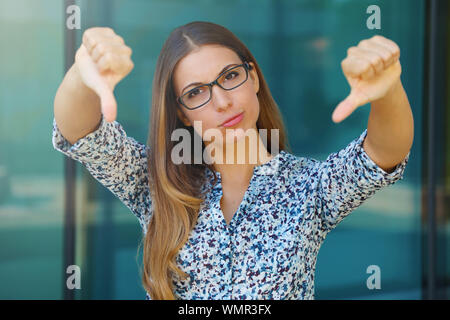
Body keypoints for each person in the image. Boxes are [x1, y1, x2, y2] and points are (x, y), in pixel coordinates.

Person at [52, 21, 413, 300]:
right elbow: (81, 132)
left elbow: (382, 154)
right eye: (196, 92)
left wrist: (389, 93)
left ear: (252, 76)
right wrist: (82, 76)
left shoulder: (307, 186)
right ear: (180, 111)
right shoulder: (155, 181)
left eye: (230, 76)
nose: (222, 102)